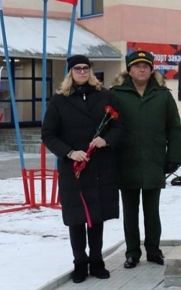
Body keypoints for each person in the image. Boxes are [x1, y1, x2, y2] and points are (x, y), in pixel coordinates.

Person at [41, 55, 124, 284]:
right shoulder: (60, 100)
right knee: (77, 218)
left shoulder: (105, 96)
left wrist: (106, 140)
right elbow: (48, 134)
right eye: (77, 69)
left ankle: (97, 261)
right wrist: (69, 152)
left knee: (96, 217)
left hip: (100, 166)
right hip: (74, 168)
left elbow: (119, 127)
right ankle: (80, 262)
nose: (82, 72)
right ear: (70, 72)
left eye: (85, 68)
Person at [110, 50, 181, 269]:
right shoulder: (115, 95)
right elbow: (108, 127)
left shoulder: (162, 95)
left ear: (152, 70)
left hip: (154, 160)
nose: (142, 69)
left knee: (152, 210)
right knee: (130, 211)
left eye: (146, 66)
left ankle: (153, 250)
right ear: (129, 70)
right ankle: (132, 252)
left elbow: (174, 128)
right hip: (126, 160)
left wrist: (173, 156)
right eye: (137, 66)